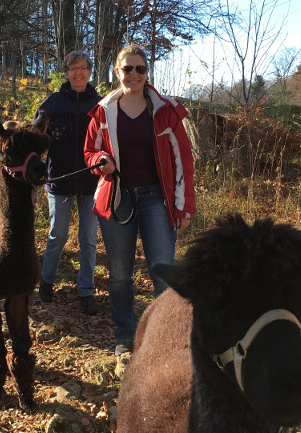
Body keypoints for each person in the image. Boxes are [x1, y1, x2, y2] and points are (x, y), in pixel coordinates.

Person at [84, 44, 196, 355]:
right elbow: (89, 152)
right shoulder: (103, 111)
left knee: (163, 271)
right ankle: (125, 335)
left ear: (147, 73)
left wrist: (185, 205)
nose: (133, 74)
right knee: (120, 274)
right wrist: (101, 159)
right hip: (117, 198)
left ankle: (165, 337)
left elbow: (183, 159)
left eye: (140, 69)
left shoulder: (165, 110)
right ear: (116, 72)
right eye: (127, 69)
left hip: (156, 200)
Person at [35, 50, 102, 315]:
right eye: (73, 68)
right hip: (59, 179)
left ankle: (86, 290)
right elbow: (36, 137)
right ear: (66, 72)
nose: (78, 73)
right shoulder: (52, 103)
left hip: (91, 182)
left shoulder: (99, 104)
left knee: (88, 239)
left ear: (89, 72)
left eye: (83, 68)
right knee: (57, 235)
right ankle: (47, 279)